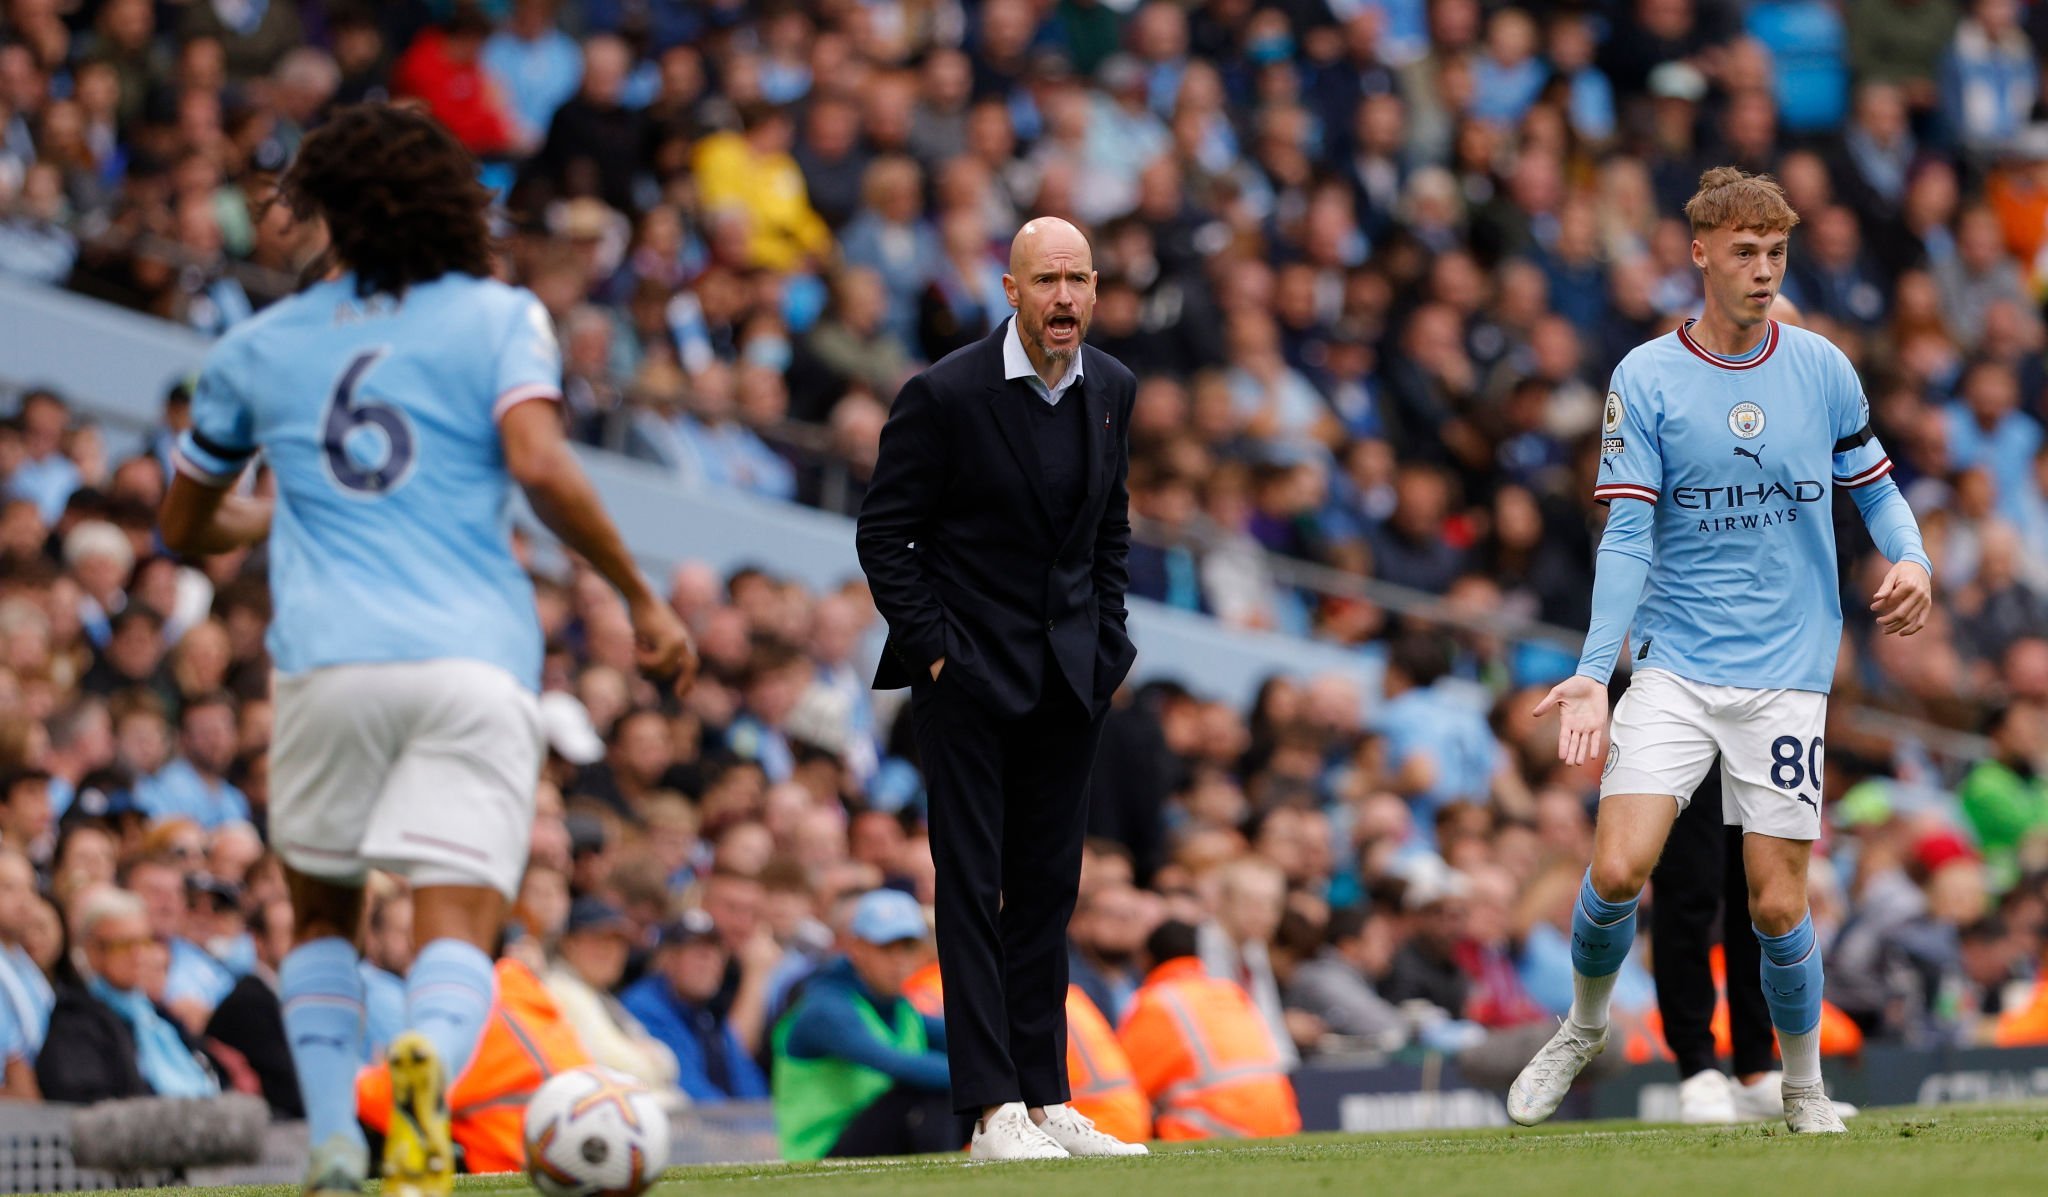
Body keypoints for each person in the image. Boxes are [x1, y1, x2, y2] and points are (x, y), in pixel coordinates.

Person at [155, 103, 695, 1197]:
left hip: (326, 664)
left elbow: (182, 527)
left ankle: (332, 1146)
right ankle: (427, 1070)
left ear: (319, 210)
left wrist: (269, 515)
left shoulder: (255, 347)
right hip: (471, 663)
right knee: (459, 915)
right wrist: (637, 591)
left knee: (320, 913)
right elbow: (539, 465)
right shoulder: (499, 316)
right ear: (449, 204)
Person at [1509, 167, 1933, 1136]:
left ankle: (1796, 1085)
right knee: (1621, 871)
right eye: (1742, 252)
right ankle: (1580, 1029)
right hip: (1672, 666)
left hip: (1785, 675)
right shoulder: (1645, 377)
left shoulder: (1820, 366)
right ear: (1696, 253)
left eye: (1774, 254)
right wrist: (1590, 669)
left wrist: (1910, 557)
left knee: (1777, 909)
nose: (1760, 270)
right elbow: (1622, 535)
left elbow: (1870, 488)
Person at [854, 217, 1144, 1161]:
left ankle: (1044, 1094)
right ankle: (989, 1112)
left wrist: (1109, 649)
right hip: (970, 683)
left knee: (1050, 893)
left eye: (1080, 280)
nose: (1066, 298)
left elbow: (1111, 534)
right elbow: (882, 536)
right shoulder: (944, 394)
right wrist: (939, 655)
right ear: (1010, 289)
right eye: (1047, 280)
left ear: (1096, 290)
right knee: (974, 891)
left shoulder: (1113, 389)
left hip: (1070, 681)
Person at [771, 889, 961, 1160]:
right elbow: (895, 1063)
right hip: (819, 1153)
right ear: (856, 949)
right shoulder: (825, 1007)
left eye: (907, 947)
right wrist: (991, 1078)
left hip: (870, 1139)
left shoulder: (900, 1006)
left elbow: (963, 1041)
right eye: (886, 947)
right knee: (932, 1089)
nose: (899, 960)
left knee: (966, 1091)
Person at [1116, 920, 1300, 1141]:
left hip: (1214, 1130)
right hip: (1281, 1123)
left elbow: (1128, 1085)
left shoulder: (1155, 1002)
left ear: (1145, 959)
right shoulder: (1229, 991)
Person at [37, 887, 223, 1103]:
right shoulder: (76, 1019)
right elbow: (86, 1099)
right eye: (124, 945)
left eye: (144, 942)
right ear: (93, 951)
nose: (138, 955)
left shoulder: (156, 1015)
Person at [620, 909, 769, 1104]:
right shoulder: (644, 1006)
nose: (708, 964)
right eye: (698, 954)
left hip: (725, 1127)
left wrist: (761, 1123)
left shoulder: (707, 1011)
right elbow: (687, 1089)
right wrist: (745, 1130)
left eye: (715, 954)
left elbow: (747, 1080)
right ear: (668, 959)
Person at [542, 896, 679, 1090]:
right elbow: (614, 1067)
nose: (609, 951)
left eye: (618, 942)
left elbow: (667, 1061)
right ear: (569, 943)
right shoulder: (560, 988)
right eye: (597, 939)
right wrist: (650, 1062)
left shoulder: (600, 995)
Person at [0, 847, 52, 1098]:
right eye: (9, 887)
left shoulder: (27, 966)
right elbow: (13, 1067)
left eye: (30, 888)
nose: (23, 899)